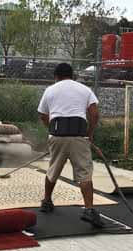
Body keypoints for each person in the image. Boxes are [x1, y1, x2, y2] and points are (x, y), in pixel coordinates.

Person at [37, 63, 103, 228]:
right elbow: (94, 114)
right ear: (72, 75)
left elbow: (43, 114)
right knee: (84, 173)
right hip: (79, 135)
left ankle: (46, 201)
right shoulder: (84, 89)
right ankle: (89, 209)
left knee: (53, 169)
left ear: (56, 76)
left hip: (57, 134)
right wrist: (90, 133)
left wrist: (51, 129)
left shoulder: (50, 90)